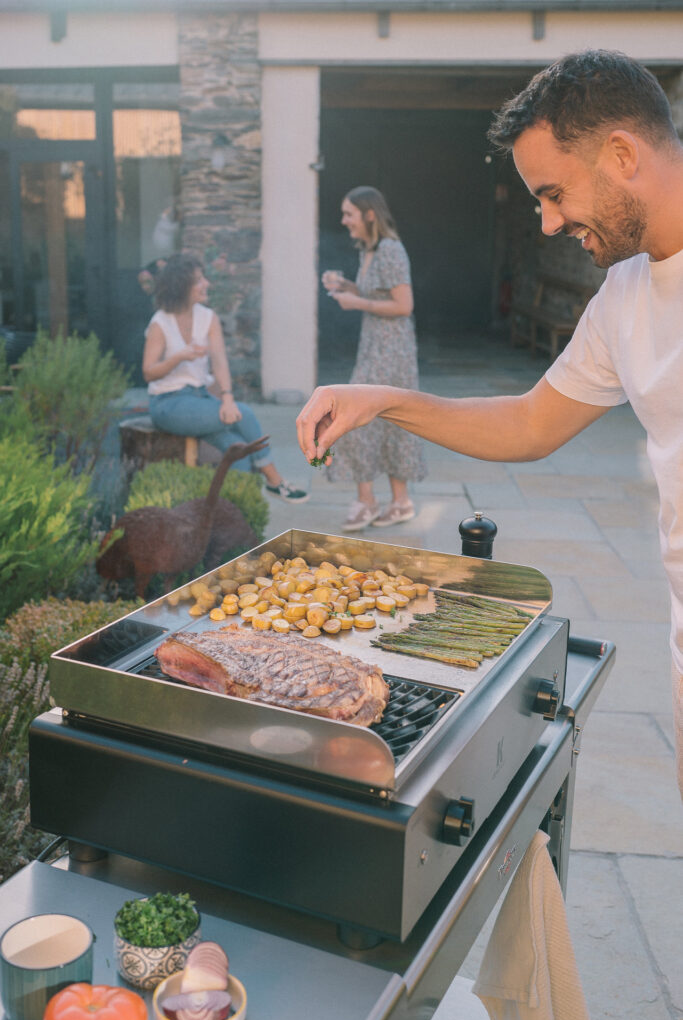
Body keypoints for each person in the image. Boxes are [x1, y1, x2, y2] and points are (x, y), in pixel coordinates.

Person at [297, 50, 683, 799]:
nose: (545, 222)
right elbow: (529, 423)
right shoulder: (623, 296)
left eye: (552, 193)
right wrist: (381, 397)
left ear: (620, 155)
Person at [143, 253, 308, 503]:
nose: (206, 284)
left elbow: (219, 361)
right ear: (181, 286)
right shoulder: (161, 323)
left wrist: (228, 398)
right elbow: (148, 372)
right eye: (198, 280)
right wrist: (179, 356)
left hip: (200, 399)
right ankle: (275, 480)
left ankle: (235, 513)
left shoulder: (207, 318)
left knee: (237, 450)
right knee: (247, 415)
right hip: (168, 404)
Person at [320, 185, 426, 531]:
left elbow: (404, 305)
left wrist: (357, 303)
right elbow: (373, 293)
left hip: (392, 351)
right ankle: (400, 502)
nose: (343, 220)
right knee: (384, 418)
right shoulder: (368, 250)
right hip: (374, 346)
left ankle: (370, 502)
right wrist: (346, 286)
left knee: (361, 415)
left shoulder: (391, 250)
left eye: (349, 213)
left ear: (369, 215)